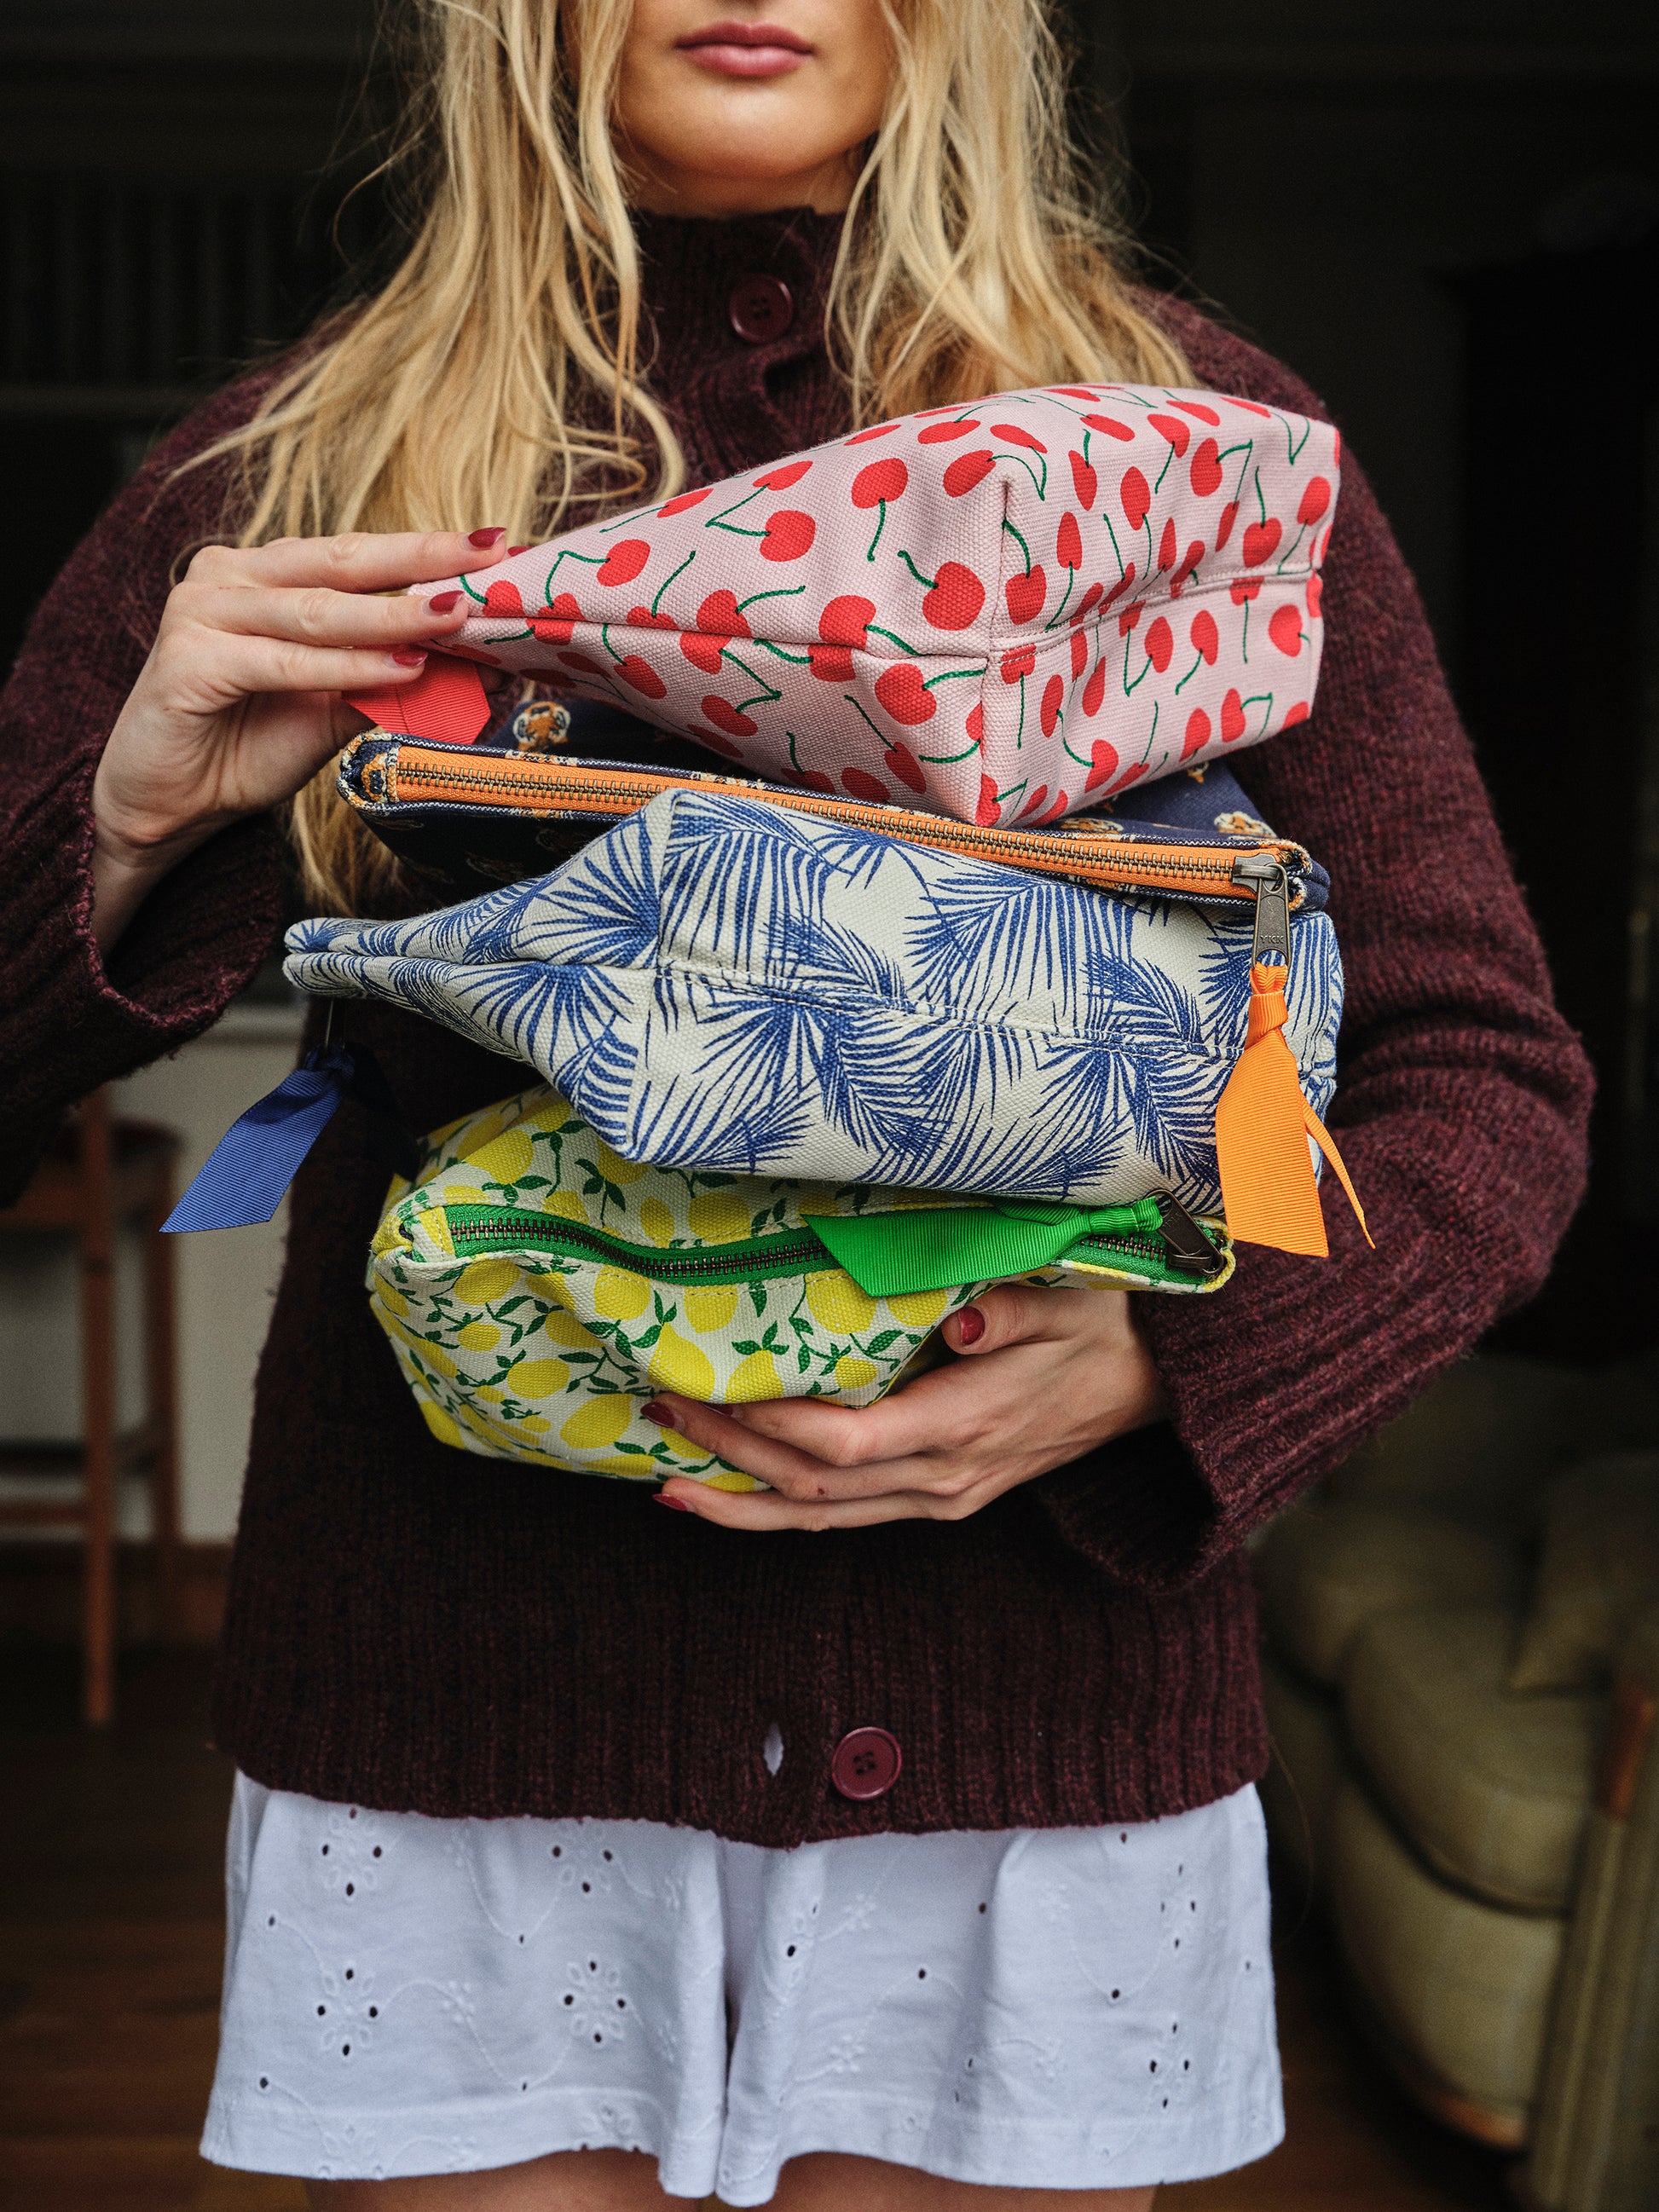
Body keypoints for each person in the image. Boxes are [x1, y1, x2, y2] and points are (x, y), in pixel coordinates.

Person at [0, 3, 1591, 2206]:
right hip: (457, 1719)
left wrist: (1177, 1364)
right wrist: (118, 831)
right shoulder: (298, 459)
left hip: (1032, 1724)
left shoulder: (1213, 453)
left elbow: (1482, 1075)